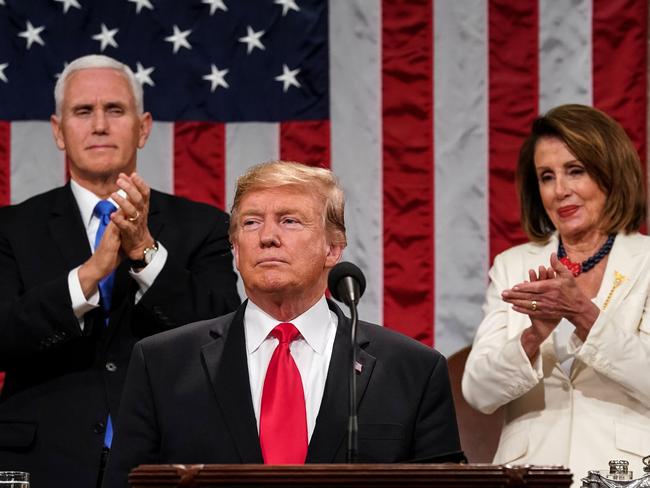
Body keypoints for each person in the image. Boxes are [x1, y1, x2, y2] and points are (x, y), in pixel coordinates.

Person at [103, 160, 462, 487]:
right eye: (251, 222)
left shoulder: (413, 370)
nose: (267, 236)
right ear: (235, 247)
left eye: (289, 220)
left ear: (333, 249)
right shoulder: (162, 363)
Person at [0, 55, 240, 487]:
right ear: (58, 131)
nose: (99, 125)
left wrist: (145, 252)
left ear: (143, 127)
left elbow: (226, 335)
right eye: (82, 111)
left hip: (165, 461)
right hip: (42, 463)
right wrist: (88, 275)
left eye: (114, 110)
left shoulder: (202, 226)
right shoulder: (11, 229)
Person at [462, 104, 650, 483]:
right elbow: (478, 389)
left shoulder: (645, 261)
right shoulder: (512, 265)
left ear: (610, 173)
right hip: (529, 473)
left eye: (575, 171)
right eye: (546, 177)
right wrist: (534, 336)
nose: (560, 190)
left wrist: (583, 314)